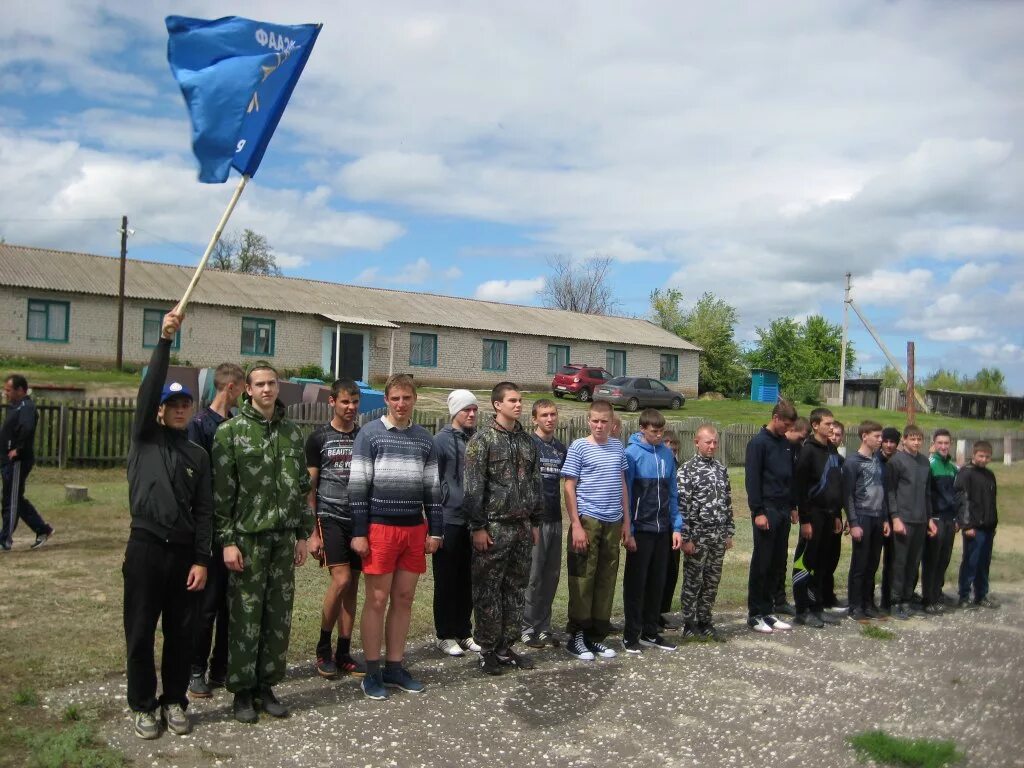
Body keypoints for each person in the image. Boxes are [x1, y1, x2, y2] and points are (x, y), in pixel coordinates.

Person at [123, 310, 211, 739]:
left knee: (181, 634)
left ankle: (174, 700)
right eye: (171, 404)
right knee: (140, 632)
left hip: (183, 556)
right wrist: (163, 343)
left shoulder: (198, 455)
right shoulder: (144, 438)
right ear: (159, 410)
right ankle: (143, 705)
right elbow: (145, 392)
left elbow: (206, 512)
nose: (178, 410)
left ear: (190, 410)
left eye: (184, 404)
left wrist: (201, 560)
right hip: (144, 550)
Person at [213, 364, 312, 723]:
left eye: (272, 383)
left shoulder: (292, 433)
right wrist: (227, 541)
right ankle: (241, 691)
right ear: (247, 391)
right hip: (248, 539)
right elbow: (221, 496)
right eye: (260, 384)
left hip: (284, 539)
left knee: (277, 617)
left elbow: (302, 489)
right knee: (245, 617)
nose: (267, 389)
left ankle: (267, 686)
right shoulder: (230, 434)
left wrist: (303, 535)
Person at [349, 374, 441, 700]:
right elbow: (358, 487)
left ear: (414, 399)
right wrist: (359, 532)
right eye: (395, 398)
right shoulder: (369, 434)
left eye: (407, 398)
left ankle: (395, 666)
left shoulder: (425, 439)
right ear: (387, 400)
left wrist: (436, 530)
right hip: (379, 529)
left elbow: (433, 488)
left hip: (414, 529)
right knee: (376, 600)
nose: (401, 404)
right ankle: (372, 671)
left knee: (403, 600)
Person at [464, 382, 543, 675]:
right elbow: (473, 489)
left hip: (522, 528)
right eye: (512, 400)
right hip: (494, 528)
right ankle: (486, 649)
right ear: (497, 404)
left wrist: (535, 522)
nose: (519, 405)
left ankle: (505, 646)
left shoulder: (527, 441)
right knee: (488, 590)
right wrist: (478, 527)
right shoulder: (482, 441)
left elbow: (536, 484)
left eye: (520, 400)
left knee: (515, 589)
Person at [187, 362, 244, 699]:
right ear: (232, 389)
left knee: (229, 604)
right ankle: (196, 670)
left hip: (236, 526)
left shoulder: (237, 425)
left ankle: (221, 667)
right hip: (209, 527)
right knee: (206, 605)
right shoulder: (199, 425)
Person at [305, 380, 367, 679]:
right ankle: (322, 647)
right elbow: (310, 488)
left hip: (358, 521)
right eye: (345, 402)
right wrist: (312, 531)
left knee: (352, 586)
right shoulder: (318, 438)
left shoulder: (364, 436)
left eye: (355, 402)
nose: (351, 407)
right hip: (329, 517)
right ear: (332, 402)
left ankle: (344, 651)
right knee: (340, 580)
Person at [562, 399, 632, 660]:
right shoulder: (579, 447)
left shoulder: (617, 447)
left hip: (613, 522)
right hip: (588, 521)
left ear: (613, 423)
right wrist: (576, 525)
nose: (600, 425)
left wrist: (626, 522)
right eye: (595, 420)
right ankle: (577, 636)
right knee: (583, 577)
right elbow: (569, 486)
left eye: (605, 421)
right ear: (588, 420)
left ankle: (595, 636)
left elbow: (622, 484)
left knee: (606, 577)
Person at [622, 409, 681, 654]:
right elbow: (625, 493)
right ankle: (631, 634)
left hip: (663, 528)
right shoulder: (631, 454)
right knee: (636, 583)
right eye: (654, 432)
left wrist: (676, 526)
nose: (658, 436)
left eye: (661, 431)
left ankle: (650, 631)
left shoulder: (667, 455)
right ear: (642, 429)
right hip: (641, 529)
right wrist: (629, 530)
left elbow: (674, 494)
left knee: (658, 582)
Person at [431, 389, 482, 657]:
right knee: (446, 580)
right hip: (447, 519)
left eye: (474, 409)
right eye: (466, 410)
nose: (471, 414)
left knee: (468, 580)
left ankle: (464, 631)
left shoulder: (479, 439)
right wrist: (433, 523)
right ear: (455, 412)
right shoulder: (439, 442)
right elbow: (432, 482)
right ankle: (444, 633)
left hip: (472, 522)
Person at [745, 400, 797, 634]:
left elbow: (789, 477)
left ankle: (769, 611)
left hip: (784, 509)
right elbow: (752, 480)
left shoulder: (785, 443)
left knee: (777, 562)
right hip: (766, 509)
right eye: (785, 424)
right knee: (762, 563)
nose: (787, 429)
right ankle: (755, 614)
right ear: (775, 418)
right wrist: (758, 511)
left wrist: (793, 506)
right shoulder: (758, 443)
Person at [678, 424, 733, 641]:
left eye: (715, 442)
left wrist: (729, 532)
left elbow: (727, 503)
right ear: (696, 442)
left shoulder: (721, 469)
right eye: (708, 442)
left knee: (712, 580)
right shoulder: (687, 470)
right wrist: (686, 537)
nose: (712, 446)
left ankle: (705, 620)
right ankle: (689, 623)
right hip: (697, 536)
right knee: (693, 580)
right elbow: (683, 506)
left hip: (718, 535)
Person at [521, 399, 568, 649]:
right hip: (534, 522)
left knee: (551, 575)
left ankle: (544, 626)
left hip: (556, 519)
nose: (549, 419)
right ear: (534, 419)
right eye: (544, 415)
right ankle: (527, 627)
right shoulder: (528, 445)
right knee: (534, 576)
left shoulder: (561, 448)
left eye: (553, 414)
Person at [791, 408, 843, 628]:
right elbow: (800, 488)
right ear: (815, 425)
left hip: (830, 516)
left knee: (823, 564)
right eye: (827, 424)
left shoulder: (832, 450)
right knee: (806, 562)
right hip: (813, 516)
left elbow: (835, 485)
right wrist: (805, 520)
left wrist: (838, 515)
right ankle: (802, 609)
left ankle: (817, 606)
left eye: (832, 424)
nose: (831, 427)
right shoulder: (807, 451)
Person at [886, 424, 936, 621]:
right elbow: (890, 492)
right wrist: (895, 517)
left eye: (919, 439)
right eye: (912, 439)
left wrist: (929, 518)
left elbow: (927, 493)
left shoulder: (925, 463)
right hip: (903, 520)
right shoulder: (896, 461)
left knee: (914, 562)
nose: (916, 442)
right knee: (900, 562)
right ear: (904, 440)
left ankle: (907, 598)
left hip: (921, 520)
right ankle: (894, 602)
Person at [843, 420, 891, 622]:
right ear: (865, 436)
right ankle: (855, 606)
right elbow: (848, 495)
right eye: (877, 436)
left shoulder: (878, 461)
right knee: (860, 564)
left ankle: (869, 603)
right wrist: (853, 522)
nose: (881, 440)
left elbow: (884, 491)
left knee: (872, 563)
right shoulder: (853, 462)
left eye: (881, 437)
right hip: (862, 516)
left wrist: (886, 518)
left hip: (878, 517)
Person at [1, 375, 54, 550]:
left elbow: (27, 428)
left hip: (18, 461)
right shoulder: (15, 407)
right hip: (7, 461)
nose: (5, 393)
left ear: (20, 390)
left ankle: (5, 539)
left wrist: (18, 449)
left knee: (11, 500)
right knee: (15, 498)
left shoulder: (26, 407)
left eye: (8, 390)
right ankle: (42, 529)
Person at [956, 441, 999, 609]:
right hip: (973, 527)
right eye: (981, 456)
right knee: (971, 561)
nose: (984, 459)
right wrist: (966, 525)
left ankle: (981, 595)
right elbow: (963, 500)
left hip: (988, 526)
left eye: (987, 456)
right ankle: (964, 596)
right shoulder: (966, 473)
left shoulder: (989, 475)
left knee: (984, 563)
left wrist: (993, 523)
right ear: (973, 455)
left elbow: (992, 502)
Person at [923, 429, 959, 612]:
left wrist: (957, 517)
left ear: (950, 444)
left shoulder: (952, 467)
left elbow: (957, 494)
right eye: (940, 443)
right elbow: (926, 494)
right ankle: (928, 599)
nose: (944, 446)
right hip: (935, 518)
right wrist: (928, 518)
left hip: (949, 519)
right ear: (934, 444)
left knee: (944, 559)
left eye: (946, 443)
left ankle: (937, 593)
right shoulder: (930, 465)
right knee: (932, 559)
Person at [819, 420, 847, 612]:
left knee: (832, 559)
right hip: (819, 515)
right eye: (832, 433)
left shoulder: (840, 460)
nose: (834, 438)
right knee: (819, 559)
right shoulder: (820, 455)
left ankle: (828, 596)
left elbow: (840, 492)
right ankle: (817, 598)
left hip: (835, 516)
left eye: (838, 435)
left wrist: (842, 515)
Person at [658, 430, 683, 629]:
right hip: (658, 523)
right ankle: (650, 612)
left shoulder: (678, 466)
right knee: (658, 570)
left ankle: (661, 611)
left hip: (674, 524)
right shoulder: (659, 464)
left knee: (671, 571)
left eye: (674, 445)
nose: (671, 447)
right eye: (668, 443)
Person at [877, 427, 901, 614]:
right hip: (877, 516)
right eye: (886, 441)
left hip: (895, 517)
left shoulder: (900, 461)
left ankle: (888, 600)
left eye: (893, 442)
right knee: (871, 562)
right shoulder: (875, 460)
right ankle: (866, 600)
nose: (889, 444)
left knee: (892, 562)